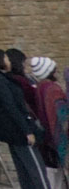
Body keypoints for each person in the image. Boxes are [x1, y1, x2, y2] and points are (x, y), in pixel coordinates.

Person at [0, 47, 50, 189]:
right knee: (35, 169)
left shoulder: (4, 78)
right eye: (5, 58)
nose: (8, 61)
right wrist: (27, 131)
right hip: (19, 131)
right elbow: (11, 106)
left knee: (26, 170)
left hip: (16, 130)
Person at [29, 57, 68, 189]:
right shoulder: (53, 89)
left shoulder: (41, 87)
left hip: (47, 138)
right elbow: (61, 117)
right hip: (58, 137)